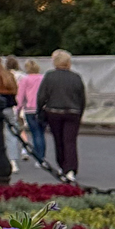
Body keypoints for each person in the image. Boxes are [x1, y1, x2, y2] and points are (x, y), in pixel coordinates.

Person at [36, 49, 86, 181]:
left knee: (58, 140)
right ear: (68, 62)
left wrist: (39, 110)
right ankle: (71, 169)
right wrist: (80, 112)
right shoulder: (76, 77)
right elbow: (81, 97)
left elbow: (42, 96)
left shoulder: (49, 76)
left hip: (54, 111)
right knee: (70, 141)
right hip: (73, 112)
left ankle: (62, 165)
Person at [15, 59, 46, 165]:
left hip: (30, 109)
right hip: (42, 108)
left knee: (35, 133)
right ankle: (42, 156)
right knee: (41, 133)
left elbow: (20, 96)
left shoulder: (25, 80)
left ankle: (38, 157)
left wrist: (18, 109)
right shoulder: (43, 78)